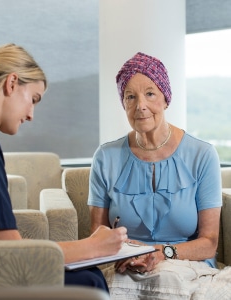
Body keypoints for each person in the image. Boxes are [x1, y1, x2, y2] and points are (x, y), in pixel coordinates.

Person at [0, 43, 128, 293]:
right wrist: (94, 247)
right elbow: (11, 252)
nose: (31, 115)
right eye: (33, 100)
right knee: (89, 281)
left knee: (87, 273)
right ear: (12, 83)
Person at [88, 52, 225, 298]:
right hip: (126, 265)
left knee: (167, 281)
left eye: (150, 93)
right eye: (130, 97)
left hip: (185, 264)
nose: (140, 105)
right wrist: (128, 253)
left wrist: (160, 252)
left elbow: (209, 243)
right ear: (124, 104)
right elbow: (98, 232)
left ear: (165, 98)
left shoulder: (203, 155)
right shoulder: (105, 157)